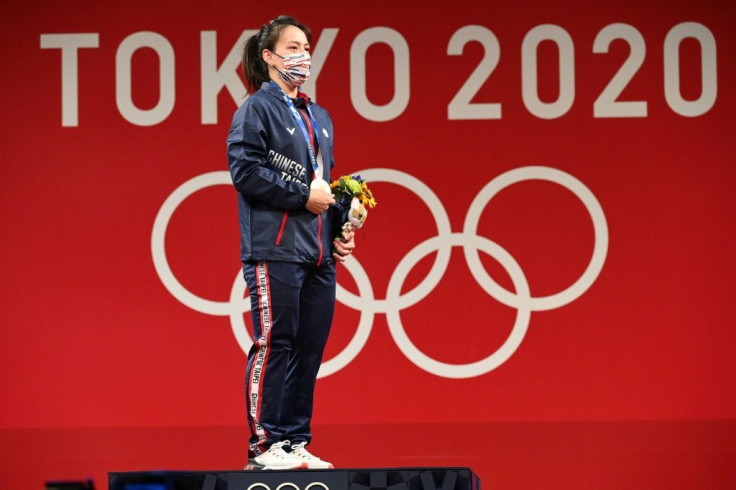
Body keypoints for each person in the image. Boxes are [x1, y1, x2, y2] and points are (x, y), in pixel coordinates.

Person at [226, 15, 355, 471]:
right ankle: (264, 446)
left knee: (309, 348)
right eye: (293, 47)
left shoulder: (319, 116)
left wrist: (339, 224)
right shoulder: (255, 110)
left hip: (316, 254)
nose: (303, 56)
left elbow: (324, 185)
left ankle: (294, 441)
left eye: (307, 47)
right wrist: (304, 196)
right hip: (274, 250)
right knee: (275, 343)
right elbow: (245, 173)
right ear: (269, 57)